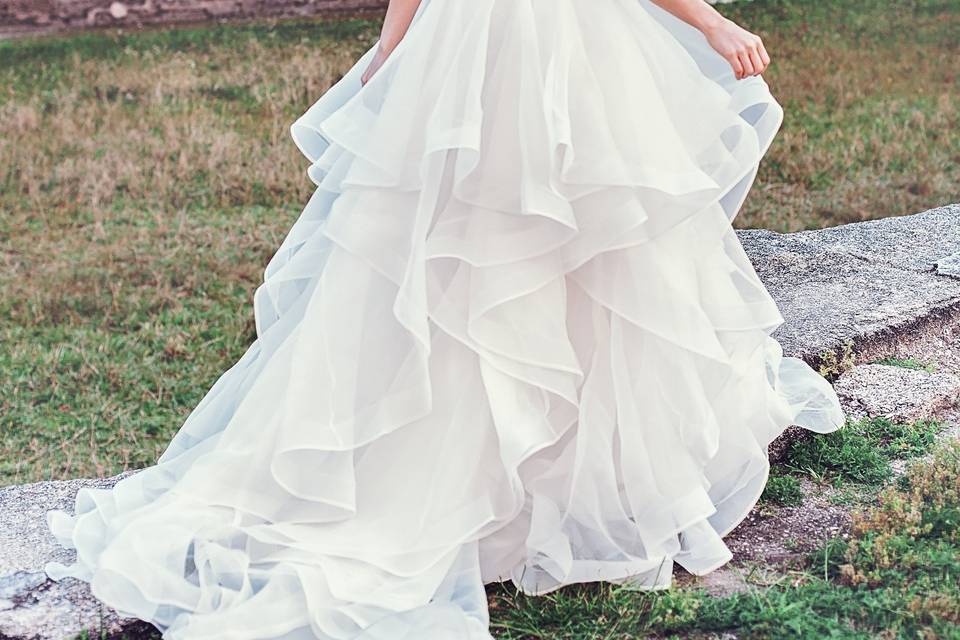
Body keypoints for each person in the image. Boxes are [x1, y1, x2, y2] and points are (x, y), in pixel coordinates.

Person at [44, 0, 845, 638]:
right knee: (470, 268)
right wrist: (392, 64)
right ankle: (475, 492)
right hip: (490, 58)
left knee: (576, 263)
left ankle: (556, 491)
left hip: (555, 49)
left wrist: (709, 20)